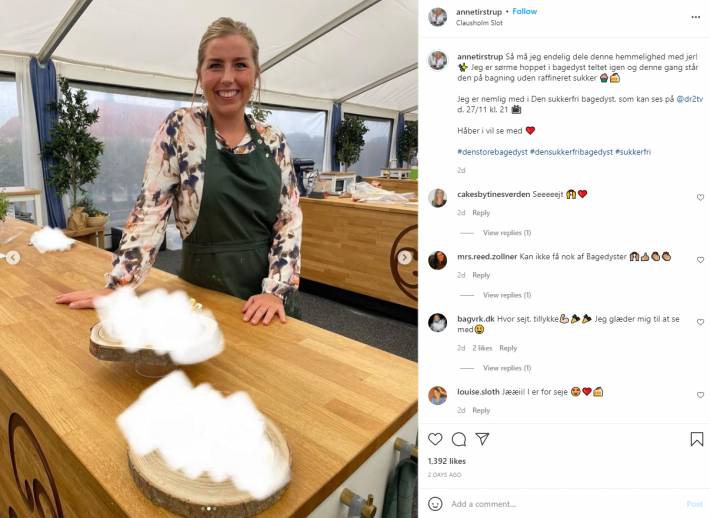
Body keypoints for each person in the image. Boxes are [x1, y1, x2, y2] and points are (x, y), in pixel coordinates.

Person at [55, 18, 302, 326]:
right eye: (215, 65)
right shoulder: (180, 130)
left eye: (240, 65)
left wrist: (276, 291)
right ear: (200, 74)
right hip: (203, 293)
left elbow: (288, 221)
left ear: (256, 73)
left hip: (267, 303)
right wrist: (118, 287)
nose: (228, 78)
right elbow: (150, 212)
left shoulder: (274, 141)